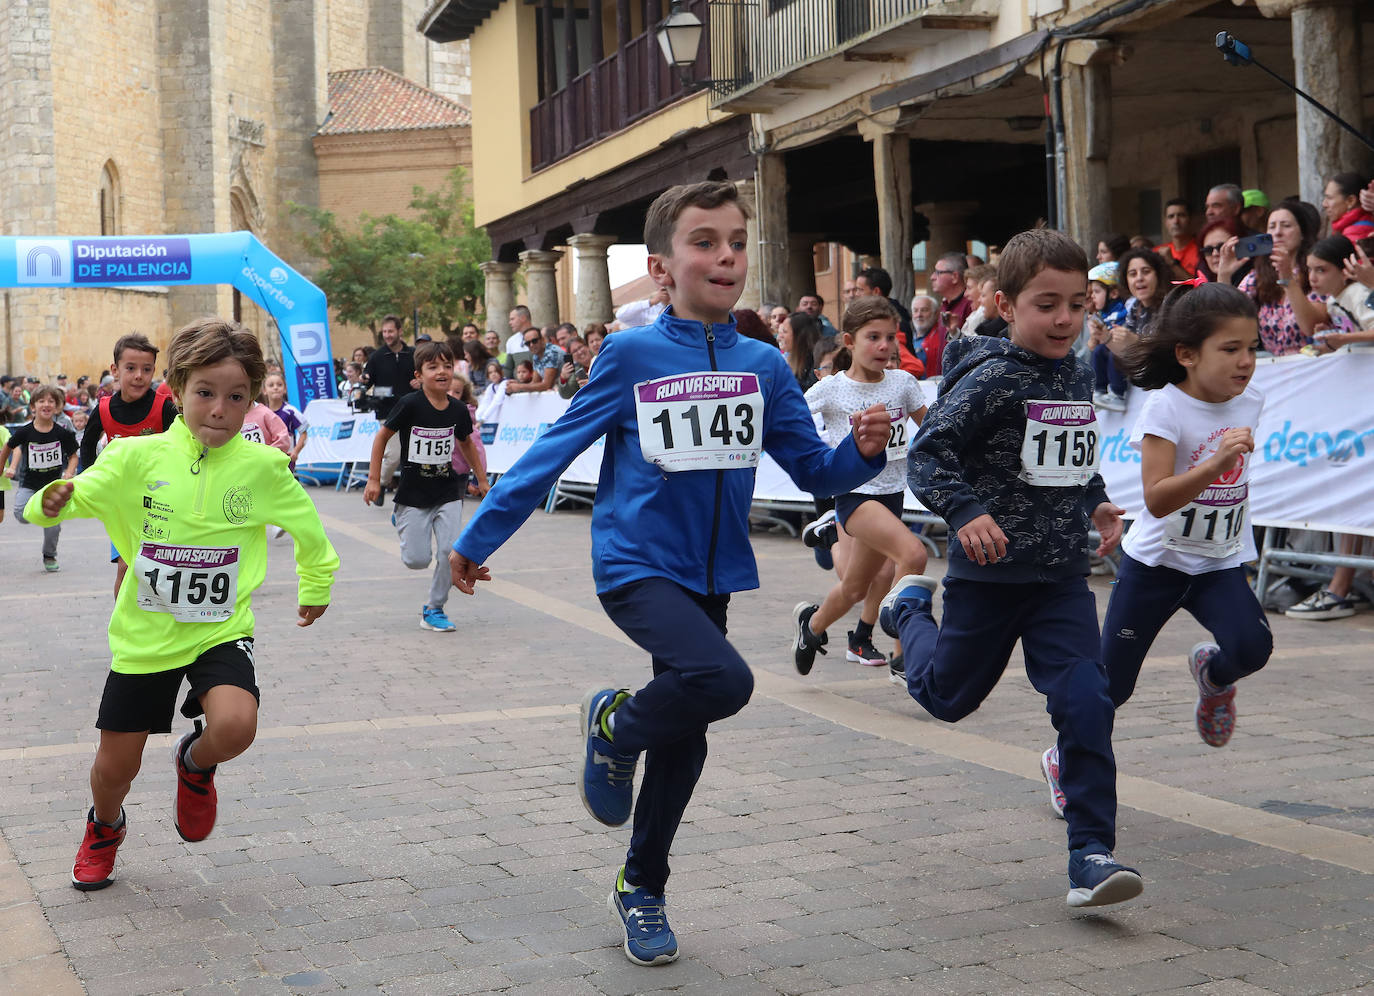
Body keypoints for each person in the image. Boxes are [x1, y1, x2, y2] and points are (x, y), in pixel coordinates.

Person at [447, 180, 889, 967]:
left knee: (687, 738)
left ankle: (641, 887)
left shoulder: (765, 363)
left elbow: (815, 469)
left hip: (712, 571)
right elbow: (555, 449)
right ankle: (614, 723)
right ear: (661, 266)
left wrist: (862, 447)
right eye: (703, 242)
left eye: (735, 242)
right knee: (724, 681)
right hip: (636, 563)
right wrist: (481, 536)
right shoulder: (631, 353)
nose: (724, 256)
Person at [25, 317, 339, 891]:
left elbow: (309, 531)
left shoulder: (263, 467)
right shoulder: (134, 458)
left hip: (219, 627)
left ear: (251, 400)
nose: (220, 408)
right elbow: (67, 500)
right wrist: (53, 502)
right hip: (146, 635)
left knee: (237, 723)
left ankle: (195, 764)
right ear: (177, 388)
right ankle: (104, 826)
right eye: (205, 393)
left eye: (236, 397)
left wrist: (315, 585)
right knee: (114, 769)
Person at [878, 227, 1140, 909]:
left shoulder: (1076, 372)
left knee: (1087, 700)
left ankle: (1090, 854)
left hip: (1059, 578)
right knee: (947, 699)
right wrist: (965, 512)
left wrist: (1100, 503)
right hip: (988, 576)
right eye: (1047, 304)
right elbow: (931, 453)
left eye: (1077, 305)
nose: (1064, 319)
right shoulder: (992, 378)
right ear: (1005, 303)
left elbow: (1071, 457)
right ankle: (907, 613)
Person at [1041, 282, 1271, 823]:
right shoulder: (1165, 408)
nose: (1246, 362)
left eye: (1252, 348)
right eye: (1231, 349)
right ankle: (1061, 759)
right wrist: (1215, 465)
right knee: (1110, 690)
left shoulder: (1251, 401)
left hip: (1218, 562)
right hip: (1156, 565)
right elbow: (1157, 497)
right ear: (1187, 355)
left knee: (1253, 647)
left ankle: (1213, 679)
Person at [794, 295, 929, 673]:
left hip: (892, 494)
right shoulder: (832, 388)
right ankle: (904, 655)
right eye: (873, 337)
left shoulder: (903, 383)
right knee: (913, 555)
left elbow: (934, 430)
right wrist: (822, 460)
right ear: (849, 341)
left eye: (891, 338)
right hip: (855, 495)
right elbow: (790, 423)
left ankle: (813, 625)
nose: (884, 346)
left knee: (858, 587)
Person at [365, 340, 489, 633]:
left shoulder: (458, 409)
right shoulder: (409, 405)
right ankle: (402, 517)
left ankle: (434, 608)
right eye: (433, 367)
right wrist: (374, 480)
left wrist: (481, 479)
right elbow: (381, 438)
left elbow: (467, 444)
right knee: (416, 560)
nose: (442, 372)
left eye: (447, 365)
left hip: (447, 491)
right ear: (418, 376)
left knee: (450, 551)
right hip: (413, 494)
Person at [1220, 197, 1324, 356]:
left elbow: (1310, 328)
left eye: (1286, 226)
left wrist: (1288, 278)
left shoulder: (1316, 270)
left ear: (1302, 233)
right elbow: (1228, 317)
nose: (1277, 232)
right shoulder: (1259, 274)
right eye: (1272, 227)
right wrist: (1224, 274)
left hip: (1314, 364)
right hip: (1275, 370)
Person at [3, 385, 78, 571]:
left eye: (51, 401)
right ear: (33, 406)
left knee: (53, 524)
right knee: (20, 514)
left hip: (52, 487)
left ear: (58, 407)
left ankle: (49, 555)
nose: (46, 404)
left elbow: (74, 455)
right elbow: (8, 446)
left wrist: (69, 472)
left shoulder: (62, 433)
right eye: (42, 401)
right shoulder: (25, 431)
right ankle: (39, 513)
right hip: (29, 483)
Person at [362, 315, 417, 489]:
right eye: (384, 331)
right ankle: (380, 483)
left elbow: (424, 375)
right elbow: (367, 381)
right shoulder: (377, 357)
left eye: (390, 331)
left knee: (413, 454)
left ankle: (410, 489)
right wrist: (364, 380)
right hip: (387, 412)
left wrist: (420, 382)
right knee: (393, 454)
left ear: (400, 331)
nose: (387, 335)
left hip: (413, 411)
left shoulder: (413, 354)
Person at [924, 254, 973, 377]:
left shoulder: (970, 305)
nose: (932, 277)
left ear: (955, 276)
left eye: (938, 272)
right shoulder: (945, 304)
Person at [262, 372, 307, 468]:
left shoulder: (291, 411)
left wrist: (296, 451)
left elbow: (304, 433)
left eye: (279, 384)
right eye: (271, 385)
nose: (275, 387)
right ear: (264, 390)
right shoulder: (262, 412)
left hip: (286, 459)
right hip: (267, 461)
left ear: (285, 389)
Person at [1154, 198, 1198, 279]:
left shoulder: (1202, 250)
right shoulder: (1157, 252)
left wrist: (1171, 263)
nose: (1176, 221)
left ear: (1191, 219)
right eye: (1171, 217)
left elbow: (1202, 287)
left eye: (1181, 215)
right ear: (1166, 222)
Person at [777, 311, 822, 391]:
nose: (779, 337)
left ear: (800, 336)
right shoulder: (787, 358)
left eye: (784, 332)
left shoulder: (817, 360)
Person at [1323, 173, 1374, 242]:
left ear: (1350, 201)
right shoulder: (1345, 229)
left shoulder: (1355, 234)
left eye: (1329, 198)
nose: (1324, 204)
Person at [1195, 218, 1246, 283]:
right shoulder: (1202, 283)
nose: (1215, 254)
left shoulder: (1252, 279)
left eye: (1222, 247)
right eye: (1208, 250)